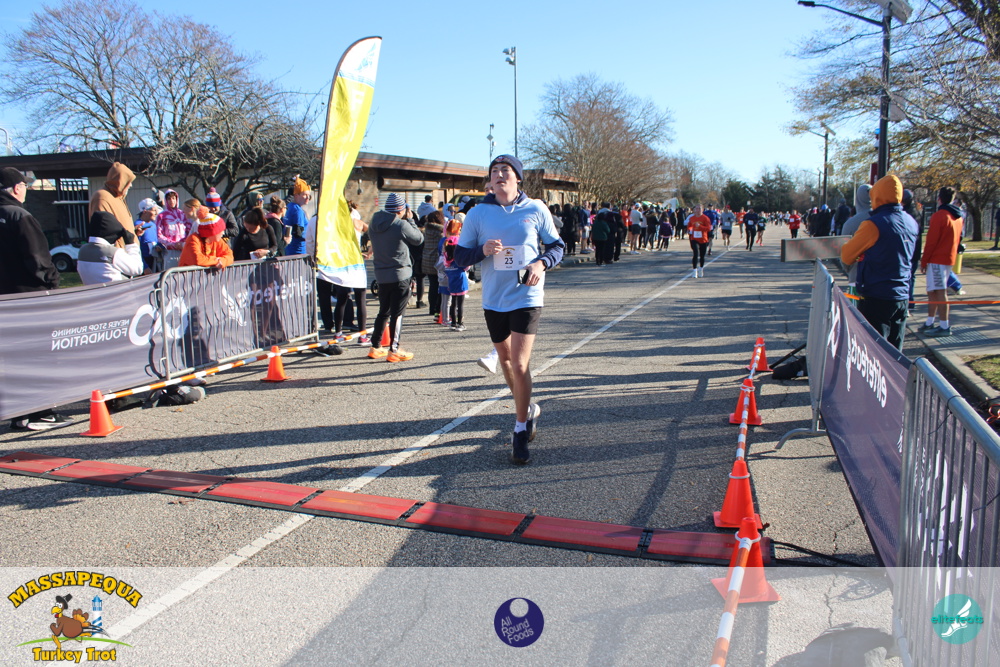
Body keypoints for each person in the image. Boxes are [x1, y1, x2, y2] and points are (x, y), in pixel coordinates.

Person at [454, 154, 565, 465]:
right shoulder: (478, 213)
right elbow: (459, 258)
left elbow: (557, 246)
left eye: (506, 170)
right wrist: (482, 250)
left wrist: (541, 264)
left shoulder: (535, 209)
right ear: (490, 180)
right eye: (494, 171)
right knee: (504, 360)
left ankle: (519, 430)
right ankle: (527, 409)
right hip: (494, 298)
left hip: (527, 295)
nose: (499, 175)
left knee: (518, 364)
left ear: (518, 178)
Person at [0, 167, 68, 430]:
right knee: (38, 354)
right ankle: (38, 413)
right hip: (29, 298)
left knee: (13, 357)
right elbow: (38, 259)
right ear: (17, 188)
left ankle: (21, 413)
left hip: (5, 299)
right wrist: (52, 283)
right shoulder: (20, 216)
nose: (26, 190)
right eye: (25, 185)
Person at [840, 175, 919, 351]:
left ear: (877, 195)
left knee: (874, 352)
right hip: (902, 295)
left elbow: (846, 255)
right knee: (895, 352)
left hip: (876, 295)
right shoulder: (911, 222)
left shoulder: (873, 224)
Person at [366, 193, 423, 362]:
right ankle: (394, 349)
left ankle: (376, 346)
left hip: (381, 274)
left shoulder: (374, 223)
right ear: (400, 209)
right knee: (397, 314)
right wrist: (411, 220)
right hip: (400, 274)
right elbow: (418, 239)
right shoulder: (401, 225)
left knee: (383, 311)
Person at [919, 187, 963, 337]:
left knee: (939, 291)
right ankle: (930, 321)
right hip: (948, 257)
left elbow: (931, 241)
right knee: (932, 290)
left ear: (939, 198)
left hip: (937, 258)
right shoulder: (957, 217)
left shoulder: (940, 216)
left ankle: (944, 325)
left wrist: (924, 261)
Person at [76, 211, 144, 284]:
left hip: (92, 290)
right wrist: (131, 244)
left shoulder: (82, 250)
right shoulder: (113, 253)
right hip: (116, 290)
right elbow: (137, 269)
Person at [88, 162, 136, 248]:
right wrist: (118, 252)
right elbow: (104, 232)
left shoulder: (118, 197)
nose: (131, 185)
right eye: (128, 181)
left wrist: (133, 232)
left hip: (127, 251)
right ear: (120, 181)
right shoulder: (102, 197)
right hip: (117, 253)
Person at [841, 185, 873, 290]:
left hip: (857, 276)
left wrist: (849, 270)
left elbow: (843, 253)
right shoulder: (885, 219)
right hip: (881, 279)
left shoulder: (851, 224)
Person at [156, 189, 190, 269]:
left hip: (184, 249)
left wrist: (183, 243)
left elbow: (189, 230)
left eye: (173, 198)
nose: (171, 201)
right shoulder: (161, 216)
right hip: (170, 251)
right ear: (166, 200)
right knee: (171, 274)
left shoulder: (183, 214)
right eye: (169, 199)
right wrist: (172, 244)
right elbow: (159, 235)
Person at [421, 210, 446, 319]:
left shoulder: (425, 232)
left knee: (432, 285)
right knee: (440, 286)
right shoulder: (440, 233)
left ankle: (432, 308)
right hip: (438, 261)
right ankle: (438, 308)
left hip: (427, 260)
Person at [283, 178, 311, 256]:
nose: (308, 198)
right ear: (296, 195)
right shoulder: (297, 210)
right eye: (305, 195)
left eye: (309, 195)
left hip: (289, 250)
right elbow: (299, 233)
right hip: (299, 251)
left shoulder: (289, 206)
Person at [135, 198, 161, 273]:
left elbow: (157, 241)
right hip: (145, 264)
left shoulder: (153, 225)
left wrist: (160, 247)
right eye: (154, 210)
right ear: (145, 211)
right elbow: (136, 249)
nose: (156, 213)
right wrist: (145, 267)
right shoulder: (138, 226)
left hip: (155, 262)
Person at [687, 204, 711, 277]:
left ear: (702, 210)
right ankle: (694, 271)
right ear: (694, 210)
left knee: (702, 256)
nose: (698, 210)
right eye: (696, 209)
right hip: (694, 238)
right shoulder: (692, 218)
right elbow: (689, 226)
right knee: (695, 253)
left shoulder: (705, 218)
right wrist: (689, 229)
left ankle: (701, 268)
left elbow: (708, 228)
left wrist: (700, 226)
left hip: (703, 239)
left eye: (699, 209)